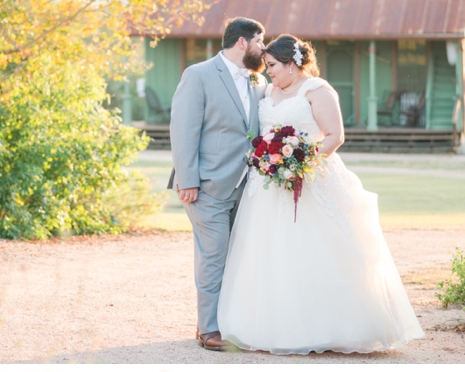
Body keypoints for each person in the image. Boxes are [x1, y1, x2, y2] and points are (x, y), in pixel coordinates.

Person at [217, 34, 424, 354]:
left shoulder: (318, 90)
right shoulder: (268, 90)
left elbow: (334, 137)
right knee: (269, 253)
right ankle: (272, 327)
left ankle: (332, 327)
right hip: (269, 186)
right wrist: (273, 163)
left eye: (272, 65)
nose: (267, 71)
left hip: (310, 179)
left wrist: (298, 163)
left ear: (291, 63)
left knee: (317, 249)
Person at [169, 18, 267, 351]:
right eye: (260, 41)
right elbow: (184, 130)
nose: (263, 48)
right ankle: (208, 328)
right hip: (206, 186)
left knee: (239, 256)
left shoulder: (258, 80)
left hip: (247, 186)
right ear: (242, 42)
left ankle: (230, 322)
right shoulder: (198, 75)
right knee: (214, 256)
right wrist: (188, 180)